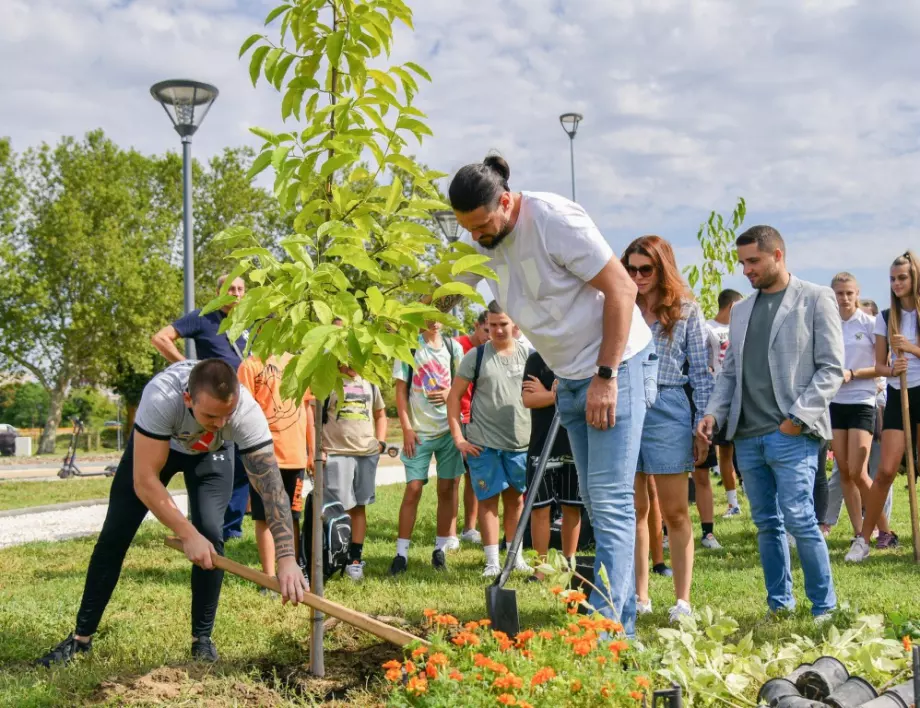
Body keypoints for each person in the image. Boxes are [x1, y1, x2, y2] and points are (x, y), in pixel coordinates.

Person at [445, 154, 655, 637]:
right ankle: (611, 624)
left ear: (505, 201)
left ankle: (611, 634)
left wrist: (605, 375)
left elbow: (622, 290)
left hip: (616, 365)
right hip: (570, 377)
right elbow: (445, 295)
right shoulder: (480, 238)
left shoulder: (553, 221)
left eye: (480, 225)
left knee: (609, 501)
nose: (476, 237)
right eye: (466, 229)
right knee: (596, 498)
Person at [36, 359, 308, 667]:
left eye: (225, 415)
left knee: (211, 535)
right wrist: (186, 534)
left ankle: (202, 640)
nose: (219, 424)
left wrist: (286, 558)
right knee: (115, 535)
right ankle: (80, 639)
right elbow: (145, 482)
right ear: (188, 399)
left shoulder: (246, 412)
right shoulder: (161, 397)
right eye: (210, 415)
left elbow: (272, 490)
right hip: (159, 448)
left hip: (212, 456)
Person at [698, 226, 843, 620]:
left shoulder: (816, 298)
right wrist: (714, 412)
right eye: (743, 262)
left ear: (778, 255)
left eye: (753, 261)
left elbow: (831, 369)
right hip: (746, 436)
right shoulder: (741, 310)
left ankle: (823, 607)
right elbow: (729, 373)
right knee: (766, 524)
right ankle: (779, 605)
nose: (746, 270)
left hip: (791, 432)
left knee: (800, 519)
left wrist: (796, 419)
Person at [622, 235, 712, 622]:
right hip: (626, 404)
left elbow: (703, 373)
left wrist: (702, 424)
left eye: (646, 268)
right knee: (634, 510)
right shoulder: (622, 307)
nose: (638, 276)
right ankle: (640, 597)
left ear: (663, 268)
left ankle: (682, 601)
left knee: (675, 510)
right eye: (631, 268)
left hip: (669, 404)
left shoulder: (686, 311)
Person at [151, 275, 251, 541]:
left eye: (241, 288)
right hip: (211, 408)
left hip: (243, 403)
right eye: (231, 288)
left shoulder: (250, 322)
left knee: (242, 467)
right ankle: (200, 525)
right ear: (218, 292)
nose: (236, 293)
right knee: (204, 465)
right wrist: (190, 368)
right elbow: (161, 338)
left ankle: (232, 528)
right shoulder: (202, 317)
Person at [448, 301, 532, 576]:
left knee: (516, 501)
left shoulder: (528, 354)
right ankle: (492, 562)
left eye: (502, 324)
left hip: (520, 442)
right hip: (483, 442)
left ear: (515, 324)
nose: (497, 330)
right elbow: (453, 398)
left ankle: (515, 556)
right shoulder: (477, 356)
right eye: (491, 325)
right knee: (487, 501)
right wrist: (459, 438)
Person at [846, 250, 920, 562]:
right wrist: (892, 368)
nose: (897, 283)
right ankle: (865, 539)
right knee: (886, 470)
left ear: (914, 277)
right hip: (897, 395)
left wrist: (911, 349)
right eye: (892, 278)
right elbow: (879, 365)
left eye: (902, 277)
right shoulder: (887, 317)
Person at [390, 320, 464, 574]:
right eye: (429, 314)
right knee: (413, 489)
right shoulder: (409, 348)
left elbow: (462, 387)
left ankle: (439, 550)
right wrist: (407, 429)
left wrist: (449, 394)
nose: (434, 321)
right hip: (419, 433)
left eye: (439, 315)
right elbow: (400, 393)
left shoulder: (454, 349)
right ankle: (401, 554)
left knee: (447, 488)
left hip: (448, 430)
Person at [826, 273, 895, 542]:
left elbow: (881, 365)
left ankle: (885, 530)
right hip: (835, 402)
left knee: (858, 471)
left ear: (857, 293)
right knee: (843, 471)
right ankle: (859, 532)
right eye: (839, 293)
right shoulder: (827, 324)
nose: (844, 298)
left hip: (862, 400)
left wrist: (852, 373)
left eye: (848, 293)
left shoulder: (870, 323)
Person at [237, 353, 314, 588]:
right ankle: (269, 578)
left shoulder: (299, 362)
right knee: (265, 517)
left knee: (292, 516)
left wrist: (312, 449)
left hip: (296, 455)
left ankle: (293, 569)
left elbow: (307, 406)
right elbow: (243, 409)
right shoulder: (250, 365)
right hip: (264, 456)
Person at [520, 347, 584, 581]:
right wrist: (555, 395)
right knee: (540, 508)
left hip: (574, 443)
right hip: (541, 444)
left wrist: (548, 394)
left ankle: (569, 566)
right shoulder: (537, 359)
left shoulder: (580, 357)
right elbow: (528, 399)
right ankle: (540, 569)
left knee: (571, 507)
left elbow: (582, 398)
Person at [322, 358, 388, 581]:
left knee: (359, 507)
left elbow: (380, 413)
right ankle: (332, 556)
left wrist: (381, 442)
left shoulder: (369, 381)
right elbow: (314, 418)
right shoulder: (328, 381)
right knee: (336, 509)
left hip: (366, 453)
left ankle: (354, 560)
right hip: (336, 452)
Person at [453, 310, 490, 545]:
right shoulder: (458, 346)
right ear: (476, 326)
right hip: (458, 418)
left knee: (473, 475)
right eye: (486, 330)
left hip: (478, 421)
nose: (490, 335)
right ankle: (449, 532)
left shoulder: (492, 350)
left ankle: (469, 528)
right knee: (454, 476)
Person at [707, 289, 744, 517]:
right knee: (725, 452)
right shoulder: (708, 328)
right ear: (731, 307)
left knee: (748, 448)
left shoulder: (741, 329)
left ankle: (751, 491)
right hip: (718, 396)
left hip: (741, 396)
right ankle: (733, 503)